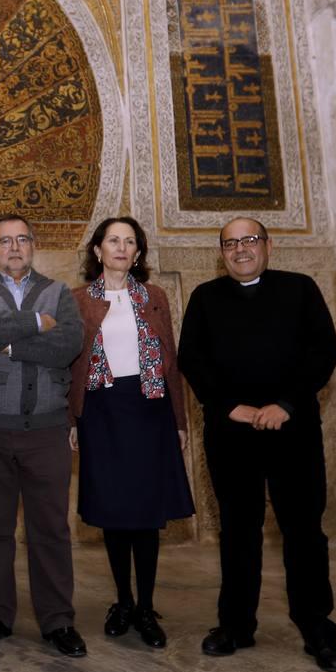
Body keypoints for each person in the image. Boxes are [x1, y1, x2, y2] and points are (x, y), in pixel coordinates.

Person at [177, 217, 336, 672]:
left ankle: (317, 629)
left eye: (249, 240)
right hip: (231, 433)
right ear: (221, 252)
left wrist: (286, 405)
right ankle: (235, 625)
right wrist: (227, 406)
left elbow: (323, 351)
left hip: (292, 430)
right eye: (230, 244)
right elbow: (191, 358)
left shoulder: (300, 289)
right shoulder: (205, 298)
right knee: (237, 530)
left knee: (304, 531)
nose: (240, 250)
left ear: (268, 246)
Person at [0, 213, 85, 657]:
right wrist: (35, 324)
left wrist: (9, 344)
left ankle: (57, 620)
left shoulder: (60, 293)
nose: (14, 248)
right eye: (4, 241)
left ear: (33, 246)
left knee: (50, 527)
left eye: (22, 240)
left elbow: (69, 343)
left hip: (46, 428)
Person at [67, 217, 194, 649]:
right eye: (112, 240)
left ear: (138, 252)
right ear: (98, 250)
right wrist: (71, 420)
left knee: (145, 515)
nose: (121, 248)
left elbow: (172, 363)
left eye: (129, 242)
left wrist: (178, 421)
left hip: (149, 410)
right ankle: (122, 601)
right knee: (115, 514)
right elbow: (69, 366)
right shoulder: (78, 300)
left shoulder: (155, 297)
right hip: (101, 412)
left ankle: (145, 606)